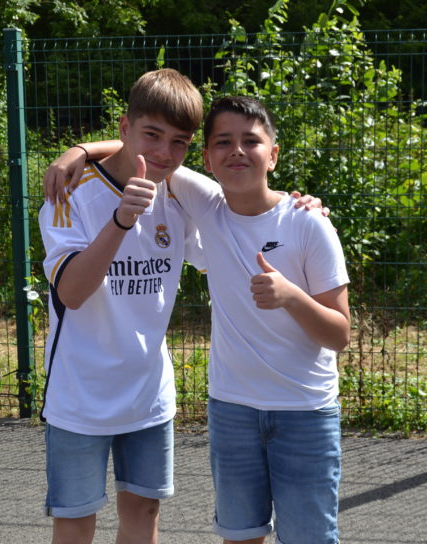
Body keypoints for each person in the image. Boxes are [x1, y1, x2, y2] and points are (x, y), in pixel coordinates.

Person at [45, 95, 348, 544]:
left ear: (274, 154)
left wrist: (291, 295)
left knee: (304, 536)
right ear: (207, 158)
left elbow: (340, 333)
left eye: (251, 141)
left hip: (285, 408)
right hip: (208, 407)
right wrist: (80, 153)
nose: (237, 151)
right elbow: (147, 148)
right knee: (232, 535)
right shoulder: (191, 202)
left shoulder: (292, 220)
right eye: (223, 142)